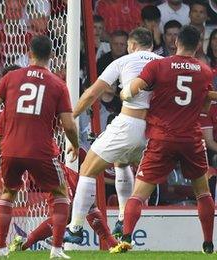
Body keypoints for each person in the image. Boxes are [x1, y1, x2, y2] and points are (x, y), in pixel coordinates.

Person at [111, 25, 215, 254]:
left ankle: (126, 239)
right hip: (191, 139)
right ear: (198, 46)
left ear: (176, 42)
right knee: (203, 193)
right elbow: (205, 105)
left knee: (138, 194)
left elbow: (131, 91)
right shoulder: (205, 71)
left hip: (162, 137)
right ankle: (208, 245)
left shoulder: (159, 65)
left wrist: (124, 93)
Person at [0, 35, 79, 259]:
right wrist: (73, 144)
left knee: (8, 193)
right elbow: (68, 124)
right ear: (51, 56)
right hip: (41, 151)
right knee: (60, 192)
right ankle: (56, 249)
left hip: (11, 149)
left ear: (29, 53)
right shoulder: (57, 84)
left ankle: (0, 248)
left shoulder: (12, 77)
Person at [65, 27, 162, 243]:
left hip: (128, 122)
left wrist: (72, 116)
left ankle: (75, 228)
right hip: (153, 130)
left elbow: (92, 92)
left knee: (87, 169)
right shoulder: (162, 62)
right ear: (152, 46)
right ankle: (121, 219)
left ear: (132, 45)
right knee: (122, 162)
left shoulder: (124, 61)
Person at [0, 110, 118, 252]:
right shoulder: (18, 110)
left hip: (54, 162)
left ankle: (113, 244)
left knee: (86, 200)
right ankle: (25, 244)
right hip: (45, 163)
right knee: (67, 212)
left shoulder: (24, 106)